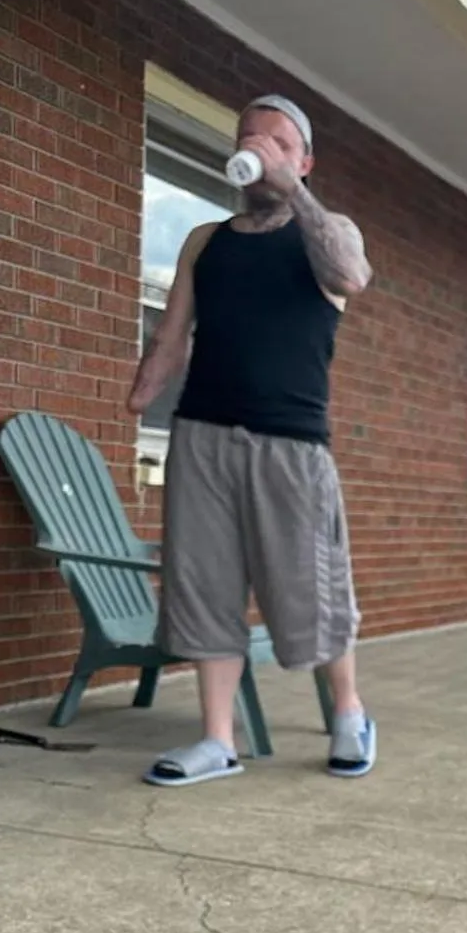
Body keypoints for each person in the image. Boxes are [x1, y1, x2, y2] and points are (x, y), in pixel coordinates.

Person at [126, 94, 376, 785]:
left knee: (313, 589)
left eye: (277, 141)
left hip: (291, 444)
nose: (259, 148)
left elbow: (351, 276)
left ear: (305, 160)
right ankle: (217, 740)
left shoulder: (328, 233)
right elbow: (173, 335)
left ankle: (349, 712)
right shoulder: (206, 242)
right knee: (204, 587)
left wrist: (293, 192)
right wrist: (141, 393)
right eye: (248, 137)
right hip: (202, 436)